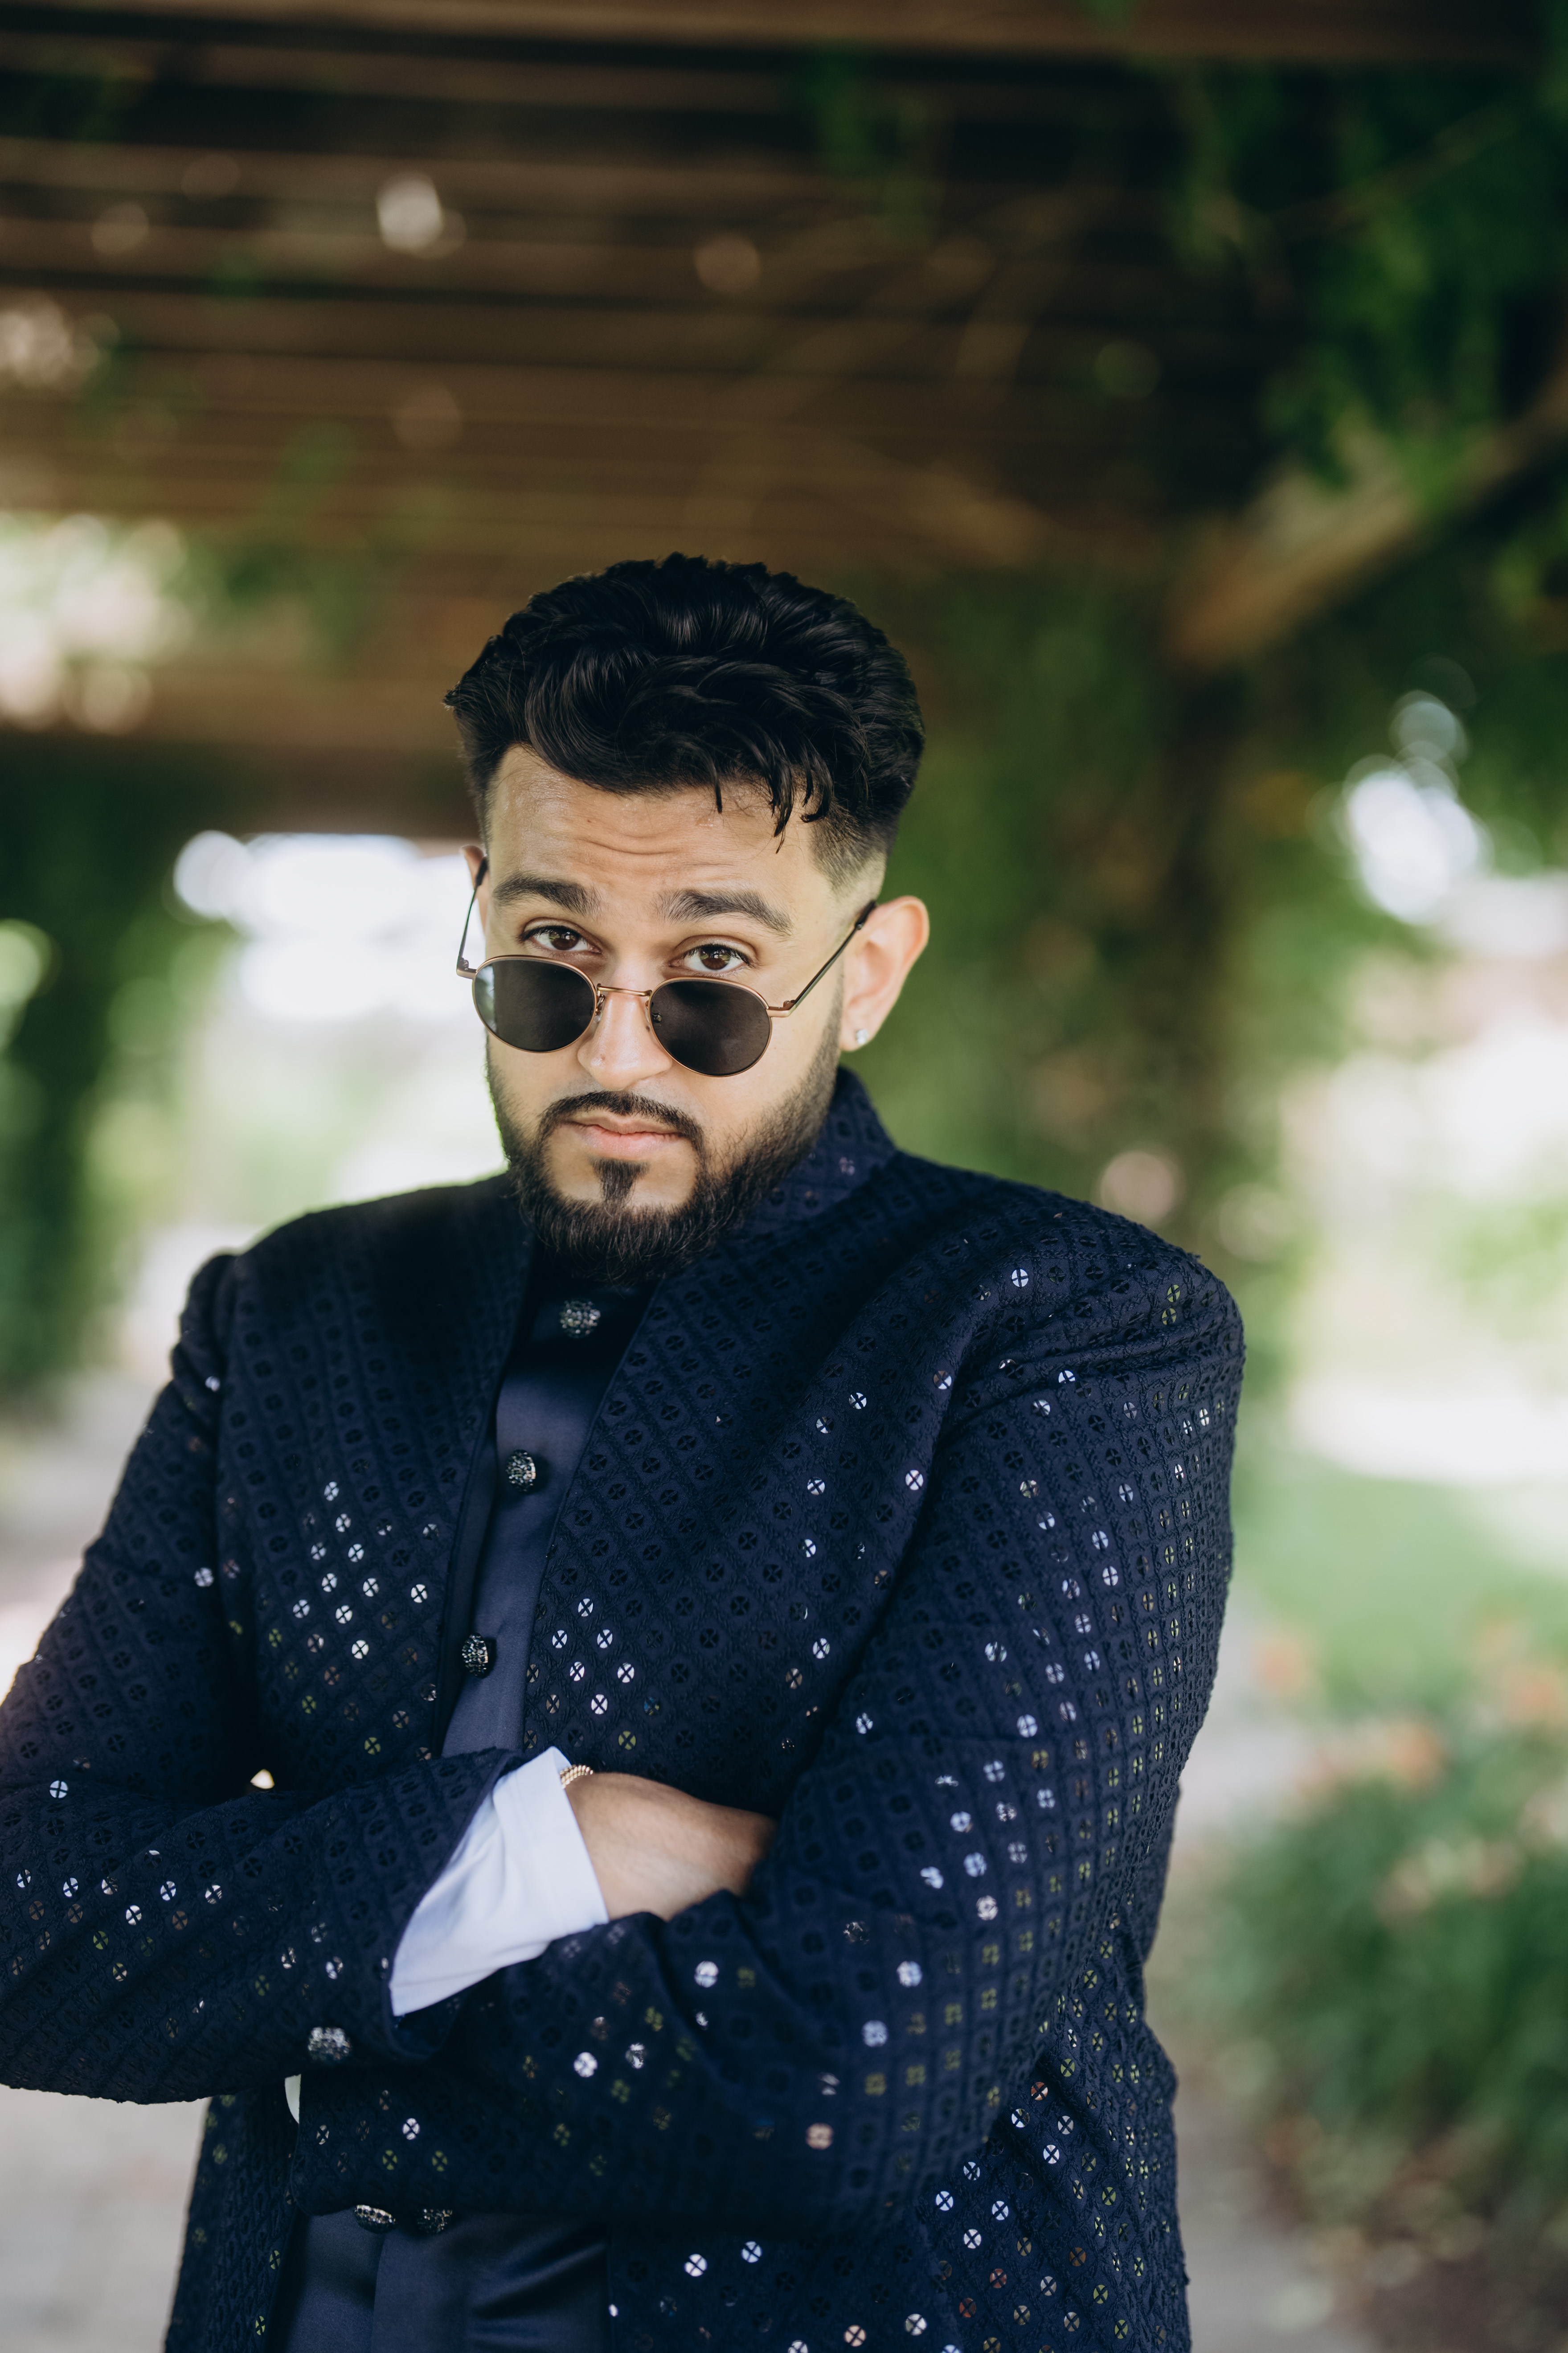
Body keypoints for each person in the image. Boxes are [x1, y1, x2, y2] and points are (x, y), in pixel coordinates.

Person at [0, 554, 1241, 2353]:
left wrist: (295, 2009)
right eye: (552, 961)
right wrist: (551, 1851)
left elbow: (854, 2076)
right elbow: (24, 1915)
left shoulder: (1075, 1328)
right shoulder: (288, 1312)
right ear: (481, 917)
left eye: (712, 977)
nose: (617, 1049)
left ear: (865, 974)